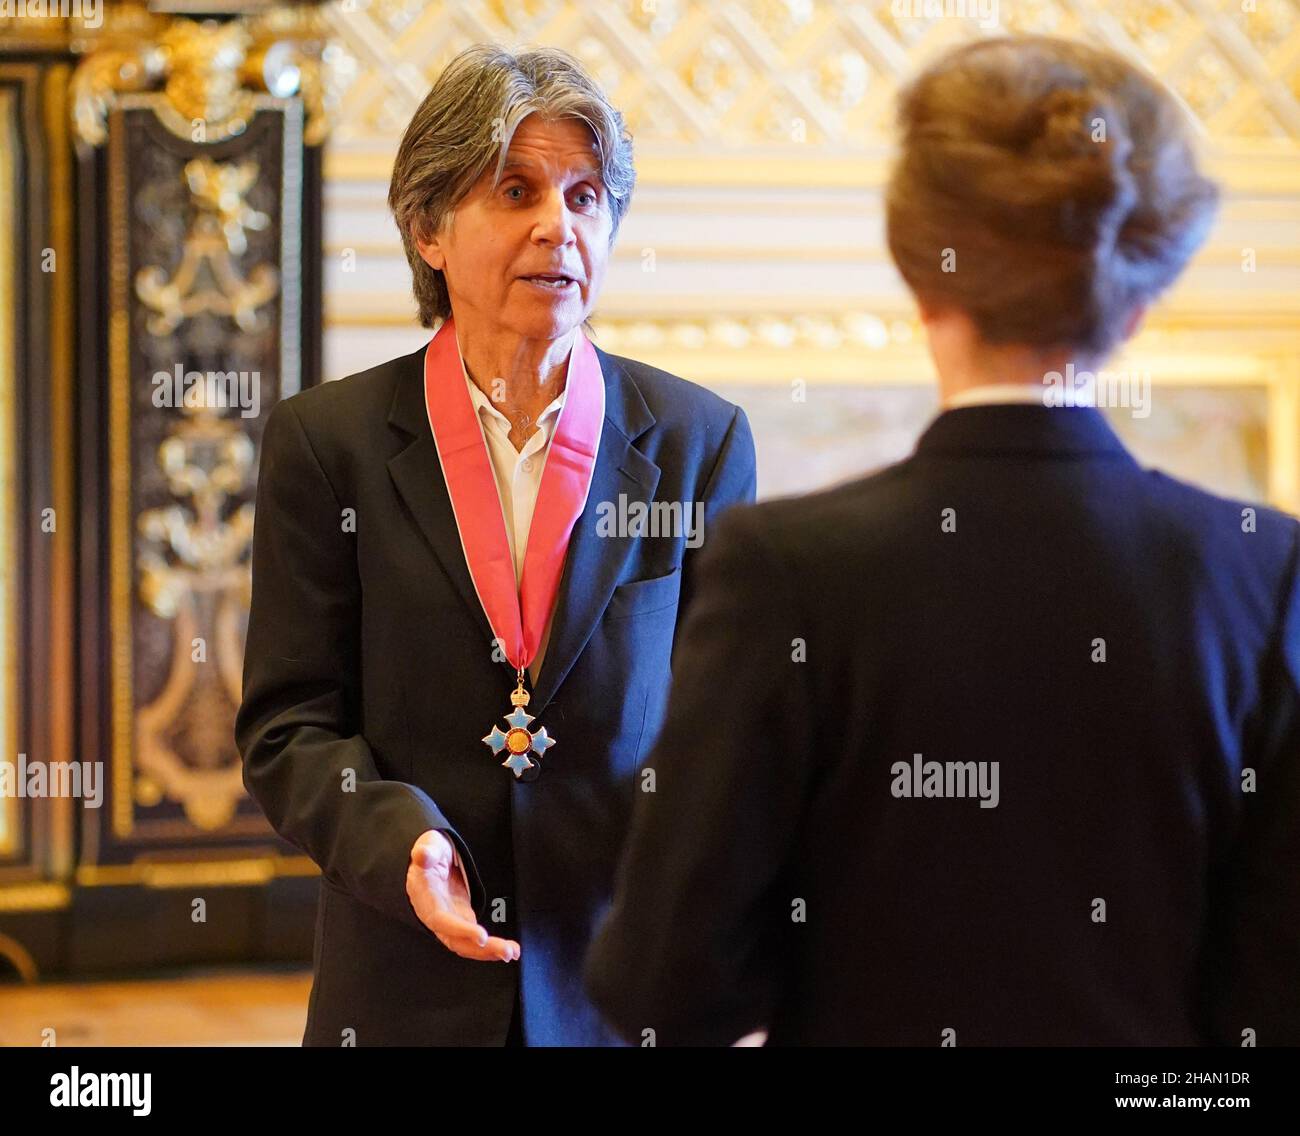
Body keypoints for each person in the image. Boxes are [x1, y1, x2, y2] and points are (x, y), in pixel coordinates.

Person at [585, 34, 1300, 1046]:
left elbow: (663, 980)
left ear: (921, 280)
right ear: (1136, 306)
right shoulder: (1265, 571)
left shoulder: (785, 569)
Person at [235, 44, 755, 1046]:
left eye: (586, 195)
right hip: (404, 981)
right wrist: (401, 843)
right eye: (515, 190)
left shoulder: (698, 441)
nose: (558, 226)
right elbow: (289, 725)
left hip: (622, 982)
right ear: (428, 227)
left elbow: (727, 722)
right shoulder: (326, 444)